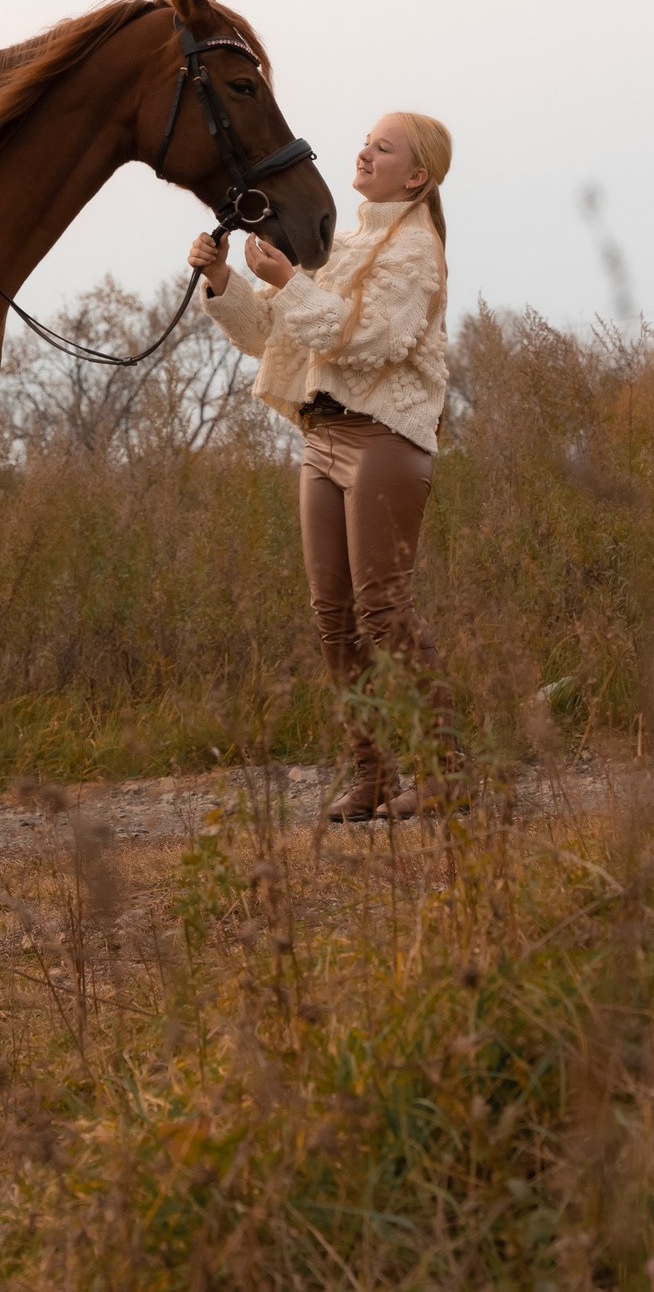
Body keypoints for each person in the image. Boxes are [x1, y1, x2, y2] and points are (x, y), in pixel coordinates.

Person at [189, 111, 460, 820]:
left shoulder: (417, 253)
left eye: (383, 146)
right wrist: (224, 279)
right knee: (334, 620)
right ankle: (370, 776)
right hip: (322, 441)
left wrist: (295, 283)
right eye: (368, 141)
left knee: (382, 609)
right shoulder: (343, 246)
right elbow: (269, 334)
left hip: (385, 443)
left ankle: (445, 769)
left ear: (417, 175)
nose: (365, 150)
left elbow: (368, 341)